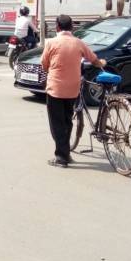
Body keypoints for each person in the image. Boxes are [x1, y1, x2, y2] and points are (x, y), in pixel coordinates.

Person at [41, 15, 106, 167]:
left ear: (57, 27)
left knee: (57, 123)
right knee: (67, 120)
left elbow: (44, 64)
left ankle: (61, 157)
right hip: (73, 89)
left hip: (55, 89)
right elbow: (94, 60)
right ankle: (66, 153)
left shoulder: (51, 43)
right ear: (72, 28)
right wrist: (102, 62)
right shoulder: (79, 43)